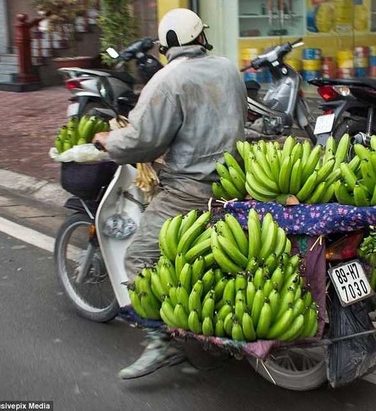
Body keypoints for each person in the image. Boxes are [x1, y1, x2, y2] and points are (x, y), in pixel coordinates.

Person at [92, 8, 247, 379]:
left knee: (139, 257)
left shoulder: (166, 80)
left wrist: (107, 140)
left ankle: (160, 344)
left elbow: (143, 141)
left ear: (169, 44)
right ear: (200, 38)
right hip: (238, 181)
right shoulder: (227, 68)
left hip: (191, 191)